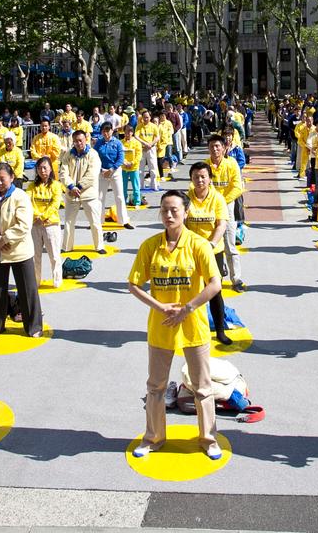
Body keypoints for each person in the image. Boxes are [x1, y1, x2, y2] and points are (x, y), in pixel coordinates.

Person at [128, 190, 223, 460]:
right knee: (156, 386)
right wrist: (158, 306)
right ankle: (153, 437)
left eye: (174, 210)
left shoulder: (198, 245)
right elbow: (133, 283)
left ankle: (208, 439)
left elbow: (214, 284)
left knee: (202, 387)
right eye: (164, 210)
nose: (169, 215)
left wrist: (188, 308)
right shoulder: (150, 246)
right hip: (161, 326)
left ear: (186, 212)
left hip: (193, 326)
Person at [0, 162, 40, 337]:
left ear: (11, 178)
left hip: (19, 251)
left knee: (27, 289)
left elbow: (24, 224)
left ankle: (33, 327)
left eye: (3, 179)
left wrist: (4, 238)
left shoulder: (20, 196)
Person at [184, 162, 236, 346]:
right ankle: (189, 329)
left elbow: (221, 224)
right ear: (191, 179)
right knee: (189, 292)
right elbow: (180, 223)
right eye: (196, 177)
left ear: (209, 179)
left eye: (203, 176)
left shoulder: (217, 198)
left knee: (214, 291)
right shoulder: (186, 198)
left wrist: (211, 243)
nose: (199, 180)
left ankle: (220, 331)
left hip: (213, 251)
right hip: (190, 251)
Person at [207, 134, 247, 292]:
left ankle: (236, 278)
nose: (215, 149)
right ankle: (214, 277)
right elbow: (196, 184)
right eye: (212, 146)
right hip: (209, 208)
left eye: (218, 146)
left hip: (227, 206)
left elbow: (237, 187)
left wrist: (222, 201)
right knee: (212, 244)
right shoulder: (204, 165)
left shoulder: (232, 164)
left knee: (230, 244)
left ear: (224, 148)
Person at [61, 129, 103, 254]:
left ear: (85, 140)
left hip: (88, 193)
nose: (78, 143)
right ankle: (67, 246)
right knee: (68, 221)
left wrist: (78, 187)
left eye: (80, 140)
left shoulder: (93, 154)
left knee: (95, 221)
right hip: (71, 193)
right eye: (75, 141)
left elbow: (92, 174)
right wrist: (70, 186)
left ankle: (99, 246)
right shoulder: (68, 154)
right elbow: (63, 172)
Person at [27, 157, 65, 287]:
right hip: (35, 224)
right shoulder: (32, 186)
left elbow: (55, 203)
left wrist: (43, 216)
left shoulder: (56, 185)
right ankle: (35, 281)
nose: (42, 171)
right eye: (39, 168)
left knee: (54, 255)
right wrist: (36, 215)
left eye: (45, 168)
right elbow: (28, 202)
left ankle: (57, 280)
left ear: (50, 169)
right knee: (35, 255)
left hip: (51, 224)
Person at [95, 122, 132, 230]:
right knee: (100, 197)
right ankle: (98, 221)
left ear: (112, 131)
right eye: (104, 131)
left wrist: (112, 169)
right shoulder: (98, 143)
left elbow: (120, 158)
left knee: (119, 196)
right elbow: (95, 157)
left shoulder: (117, 143)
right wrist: (101, 169)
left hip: (115, 171)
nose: (106, 133)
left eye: (108, 130)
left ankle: (123, 220)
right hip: (102, 172)